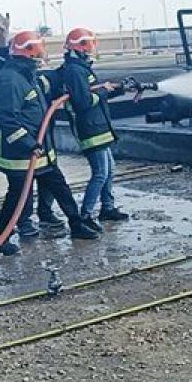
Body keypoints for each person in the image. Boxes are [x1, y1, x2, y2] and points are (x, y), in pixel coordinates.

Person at [0, 29, 99, 256]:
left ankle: (76, 224)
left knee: (60, 186)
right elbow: (8, 119)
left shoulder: (26, 74)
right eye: (40, 52)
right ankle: (0, 240)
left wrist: (72, 66)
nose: (43, 57)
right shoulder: (10, 80)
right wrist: (29, 144)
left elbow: (50, 84)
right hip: (20, 155)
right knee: (18, 199)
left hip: (39, 152)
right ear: (29, 53)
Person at [0, 10, 66, 238]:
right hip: (18, 147)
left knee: (41, 179)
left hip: (38, 140)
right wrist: (3, 32)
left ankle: (40, 216)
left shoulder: (29, 73)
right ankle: (17, 226)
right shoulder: (9, 74)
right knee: (20, 189)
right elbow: (8, 119)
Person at [59, 28, 130, 231]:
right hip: (90, 130)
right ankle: (85, 215)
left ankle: (107, 208)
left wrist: (121, 89)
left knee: (110, 170)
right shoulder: (74, 71)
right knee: (100, 173)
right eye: (89, 45)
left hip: (99, 126)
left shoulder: (82, 67)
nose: (91, 50)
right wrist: (103, 92)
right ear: (81, 47)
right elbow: (83, 101)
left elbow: (96, 94)